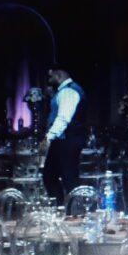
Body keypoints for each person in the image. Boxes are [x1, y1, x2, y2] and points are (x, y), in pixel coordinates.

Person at [42, 66, 87, 204]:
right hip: (64, 140)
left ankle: (75, 213)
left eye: (51, 77)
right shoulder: (63, 91)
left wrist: (49, 137)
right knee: (50, 176)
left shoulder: (68, 91)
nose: (49, 80)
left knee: (69, 179)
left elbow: (63, 118)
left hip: (67, 140)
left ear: (59, 75)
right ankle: (61, 209)